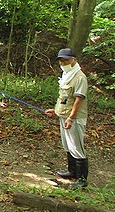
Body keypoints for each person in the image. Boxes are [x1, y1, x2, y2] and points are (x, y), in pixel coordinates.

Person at [45, 48, 89, 188]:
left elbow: (78, 100)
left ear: (73, 60)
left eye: (65, 60)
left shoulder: (79, 77)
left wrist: (71, 118)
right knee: (68, 145)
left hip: (74, 118)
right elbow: (64, 98)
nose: (63, 63)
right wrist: (56, 111)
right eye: (61, 61)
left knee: (77, 147)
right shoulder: (66, 75)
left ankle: (82, 180)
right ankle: (72, 172)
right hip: (65, 116)